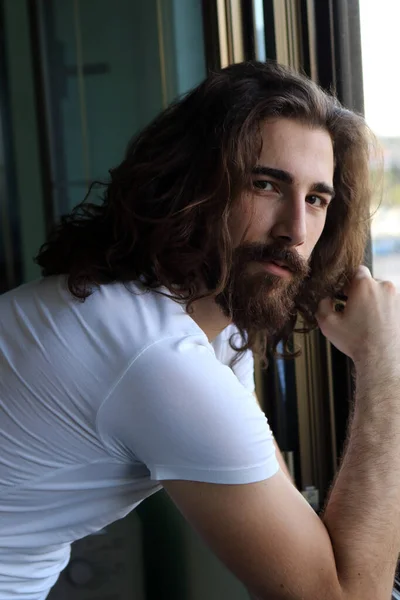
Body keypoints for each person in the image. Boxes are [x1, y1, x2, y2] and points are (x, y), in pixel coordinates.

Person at [0, 59, 399, 600]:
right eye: (265, 184)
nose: (295, 230)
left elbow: (280, 499)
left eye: (315, 199)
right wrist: (384, 363)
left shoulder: (190, 323)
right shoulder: (157, 357)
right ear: (192, 182)